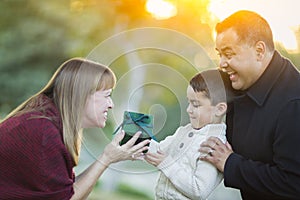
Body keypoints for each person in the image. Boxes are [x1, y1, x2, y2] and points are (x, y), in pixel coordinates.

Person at [0, 58, 150, 200]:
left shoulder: (49, 122)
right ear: (82, 95)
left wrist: (107, 158)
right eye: (107, 95)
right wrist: (107, 158)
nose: (111, 104)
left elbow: (67, 191)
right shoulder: (44, 131)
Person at [199, 10, 300, 199]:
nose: (221, 63)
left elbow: (294, 183)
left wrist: (230, 163)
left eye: (228, 54)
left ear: (259, 51)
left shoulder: (293, 104)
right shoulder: (239, 82)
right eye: (220, 54)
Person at [145, 70, 228, 200]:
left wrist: (166, 164)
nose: (189, 109)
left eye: (195, 104)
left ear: (220, 109)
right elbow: (159, 151)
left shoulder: (215, 144)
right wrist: (138, 139)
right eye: (189, 102)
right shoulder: (185, 131)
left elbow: (199, 190)